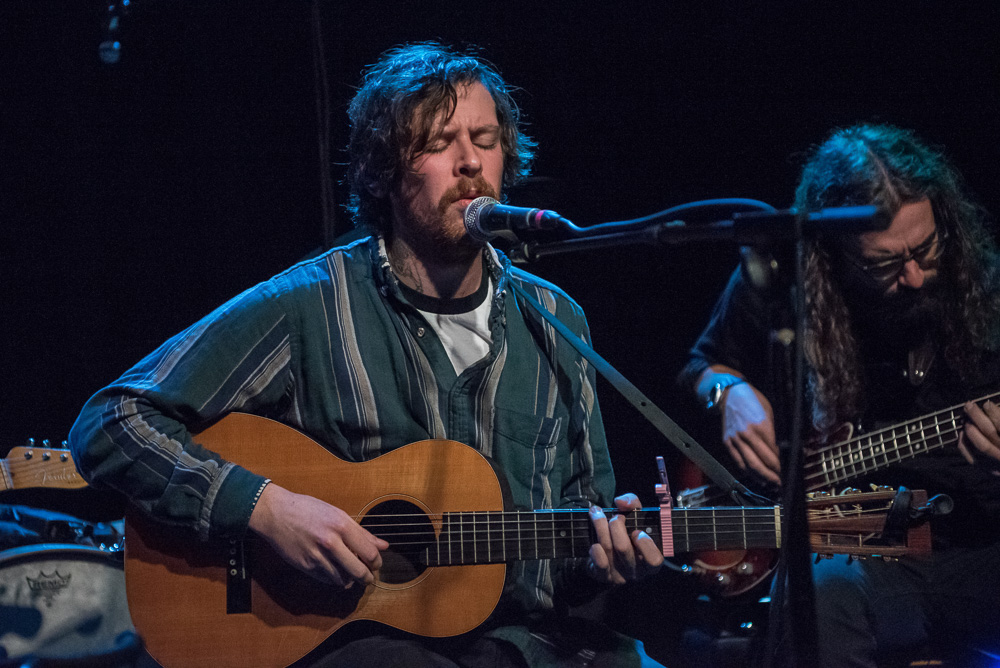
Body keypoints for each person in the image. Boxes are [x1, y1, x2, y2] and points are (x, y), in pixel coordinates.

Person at [69, 42, 666, 667]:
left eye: (484, 139)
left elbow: (576, 543)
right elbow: (112, 421)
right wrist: (265, 508)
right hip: (359, 640)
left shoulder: (557, 320)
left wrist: (608, 561)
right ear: (384, 171)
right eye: (438, 143)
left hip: (529, 644)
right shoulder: (310, 305)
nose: (469, 163)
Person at [679, 123, 1000, 666]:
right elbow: (701, 365)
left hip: (979, 552)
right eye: (884, 263)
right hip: (865, 554)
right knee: (823, 596)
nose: (916, 276)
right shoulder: (785, 282)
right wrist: (728, 391)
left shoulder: (986, 292)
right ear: (834, 253)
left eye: (926, 248)